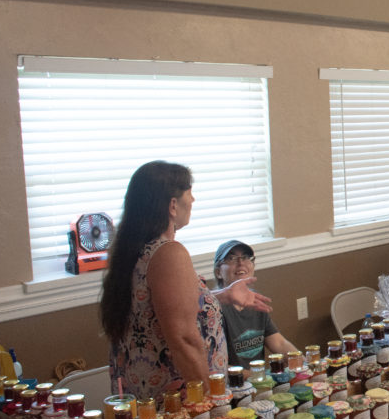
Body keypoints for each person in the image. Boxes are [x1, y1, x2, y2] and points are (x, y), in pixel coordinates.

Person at [100, 161, 271, 402]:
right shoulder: (169, 254)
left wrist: (222, 295)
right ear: (172, 205)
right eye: (189, 193)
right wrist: (210, 401)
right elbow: (184, 338)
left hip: (146, 397)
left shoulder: (133, 253)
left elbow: (161, 310)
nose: (193, 200)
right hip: (179, 401)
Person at [214, 239, 299, 367]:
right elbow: (214, 364)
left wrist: (303, 360)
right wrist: (253, 376)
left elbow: (279, 344)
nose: (241, 263)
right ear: (218, 272)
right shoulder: (212, 308)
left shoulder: (255, 303)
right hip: (231, 384)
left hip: (259, 381)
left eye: (246, 257)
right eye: (231, 258)